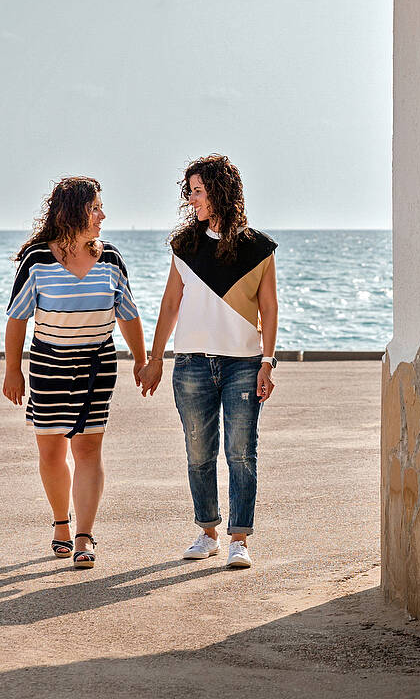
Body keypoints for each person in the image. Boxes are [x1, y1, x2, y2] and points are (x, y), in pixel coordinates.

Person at [137, 155, 278, 569]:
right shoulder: (185, 245)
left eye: (198, 190)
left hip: (244, 364)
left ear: (219, 192)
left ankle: (240, 539)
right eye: (191, 191)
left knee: (240, 452)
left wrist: (268, 362)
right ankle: (207, 532)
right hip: (192, 363)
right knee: (198, 452)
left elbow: (268, 308)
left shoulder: (258, 248)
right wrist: (156, 357)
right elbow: (170, 302)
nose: (192, 198)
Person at [3, 176, 145, 568]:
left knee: (87, 448)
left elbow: (128, 313)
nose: (102, 214)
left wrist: (141, 359)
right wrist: (12, 370)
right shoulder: (37, 259)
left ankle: (84, 535)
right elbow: (17, 319)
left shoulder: (112, 259)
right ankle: (60, 524)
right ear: (75, 211)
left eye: (101, 207)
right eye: (95, 207)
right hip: (48, 365)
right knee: (51, 451)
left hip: (96, 366)